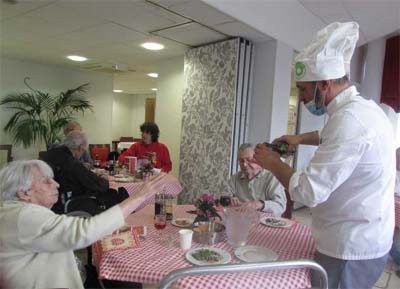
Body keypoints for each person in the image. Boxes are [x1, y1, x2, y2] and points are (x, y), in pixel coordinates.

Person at [254, 22, 395, 289]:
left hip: (349, 248)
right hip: (367, 235)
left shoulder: (349, 122)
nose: (302, 98)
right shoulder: (362, 110)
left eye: (305, 90)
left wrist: (272, 163)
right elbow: (328, 136)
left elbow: (307, 192)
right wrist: (299, 139)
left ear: (325, 84)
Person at [0, 159, 171, 289]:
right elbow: (83, 232)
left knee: (119, 279)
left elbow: (61, 228)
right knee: (125, 282)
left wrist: (107, 227)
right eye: (46, 181)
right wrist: (139, 196)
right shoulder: (23, 216)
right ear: (23, 192)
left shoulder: (14, 213)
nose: (57, 184)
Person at [40, 131, 122, 215]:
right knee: (114, 193)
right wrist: (104, 179)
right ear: (80, 147)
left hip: (47, 202)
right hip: (67, 204)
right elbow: (98, 183)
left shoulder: (49, 154)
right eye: (83, 150)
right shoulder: (71, 162)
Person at [227, 143, 286, 216]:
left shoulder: (272, 177)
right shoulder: (235, 179)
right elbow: (227, 196)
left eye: (249, 160)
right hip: (243, 220)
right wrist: (231, 200)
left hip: (267, 222)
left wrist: (259, 204)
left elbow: (280, 206)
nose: (244, 164)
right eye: (241, 161)